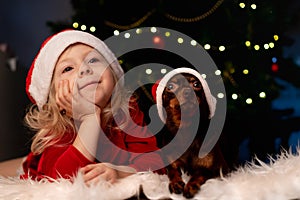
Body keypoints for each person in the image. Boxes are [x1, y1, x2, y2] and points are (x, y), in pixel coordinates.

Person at [21, 29, 164, 185]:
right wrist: (90, 118)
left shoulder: (128, 113)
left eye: (93, 60)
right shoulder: (59, 128)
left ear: (114, 74)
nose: (85, 69)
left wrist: (120, 172)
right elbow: (60, 182)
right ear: (55, 96)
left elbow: (155, 164)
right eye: (68, 68)